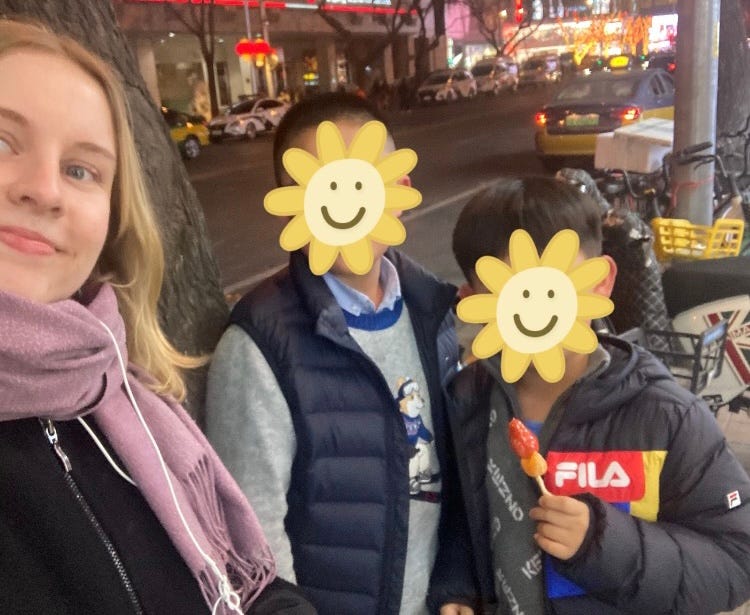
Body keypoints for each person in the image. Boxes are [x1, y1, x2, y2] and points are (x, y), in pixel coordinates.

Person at [0, 19, 315, 615]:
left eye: (81, 169)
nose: (45, 190)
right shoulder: (264, 332)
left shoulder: (123, 394)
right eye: (2, 141)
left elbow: (242, 585)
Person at [206, 92, 477, 615]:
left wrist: (456, 583)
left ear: (400, 191)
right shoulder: (259, 346)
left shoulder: (433, 312)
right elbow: (253, 538)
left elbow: (456, 471)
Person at [447, 176, 750, 614]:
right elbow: (461, 520)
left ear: (602, 280)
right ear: (472, 301)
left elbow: (736, 561)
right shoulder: (467, 403)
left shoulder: (665, 417)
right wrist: (456, 586)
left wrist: (605, 543)